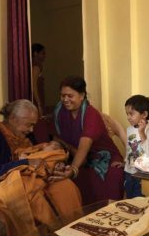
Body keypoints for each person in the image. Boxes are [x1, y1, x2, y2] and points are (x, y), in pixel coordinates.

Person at [0, 99, 82, 236]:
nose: (32, 130)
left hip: (29, 180)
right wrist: (24, 164)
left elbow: (38, 158)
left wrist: (53, 166)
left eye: (33, 125)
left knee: (65, 186)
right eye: (29, 124)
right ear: (12, 119)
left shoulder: (26, 136)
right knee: (32, 195)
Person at [53, 75, 125, 205]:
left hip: (103, 158)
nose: (65, 100)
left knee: (104, 181)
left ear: (82, 95)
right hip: (76, 155)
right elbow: (57, 139)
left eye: (70, 96)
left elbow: (84, 146)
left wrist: (74, 169)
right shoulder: (60, 111)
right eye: (63, 95)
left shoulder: (91, 115)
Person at [124, 95, 149, 198]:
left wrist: (142, 132)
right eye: (127, 114)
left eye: (131, 114)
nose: (128, 117)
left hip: (143, 173)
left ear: (144, 114)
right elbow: (129, 149)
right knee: (129, 198)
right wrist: (124, 161)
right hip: (129, 171)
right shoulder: (129, 129)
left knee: (139, 200)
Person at [32, 43, 46, 116]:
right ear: (35, 53)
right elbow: (33, 84)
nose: (45, 56)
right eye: (42, 53)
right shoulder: (36, 65)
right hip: (35, 98)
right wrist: (38, 103)